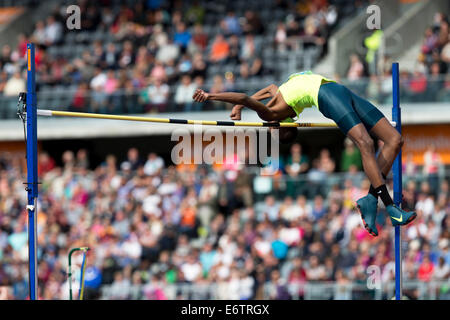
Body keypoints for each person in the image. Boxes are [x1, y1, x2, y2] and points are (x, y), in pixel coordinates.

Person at [192, 70, 416, 237]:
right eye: (273, 129)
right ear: (280, 125)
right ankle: (390, 208)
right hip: (326, 96)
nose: (269, 127)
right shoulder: (270, 113)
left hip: (338, 89)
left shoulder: (275, 99)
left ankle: (370, 199)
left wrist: (239, 107)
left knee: (395, 140)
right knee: (365, 143)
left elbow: (269, 88)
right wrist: (212, 97)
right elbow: (243, 97)